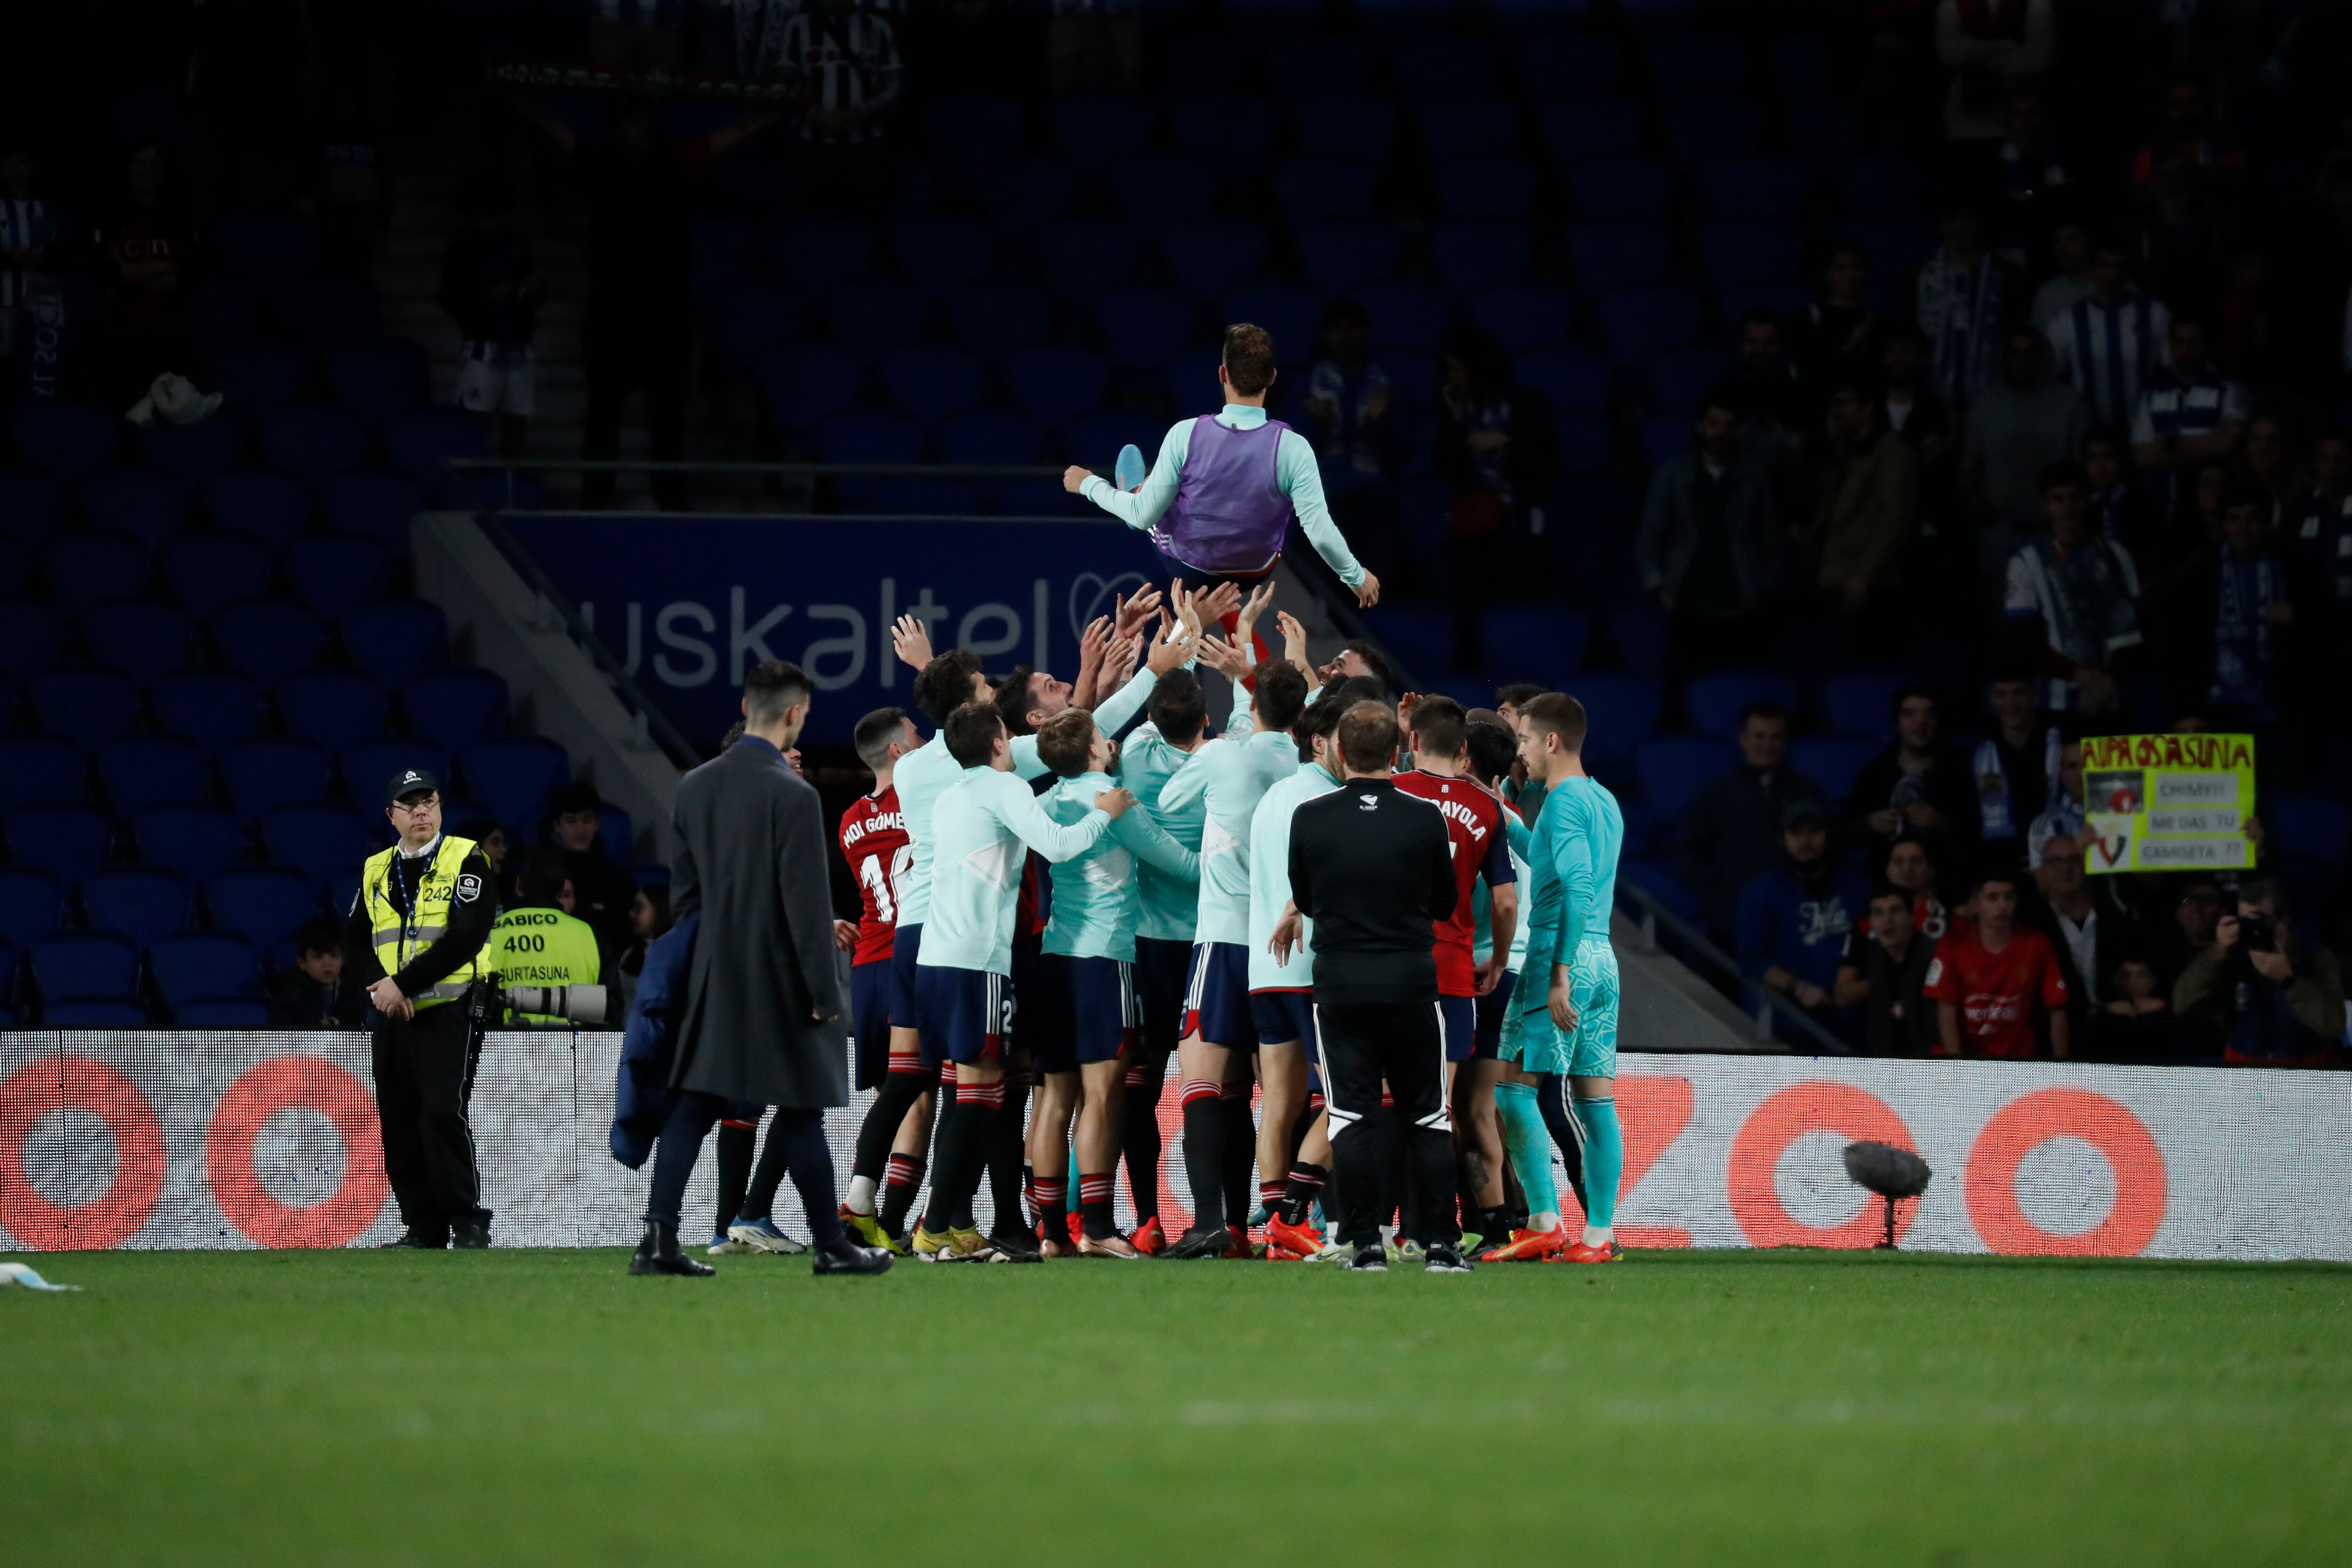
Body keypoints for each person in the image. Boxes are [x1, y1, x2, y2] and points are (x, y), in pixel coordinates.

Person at [645, 660, 892, 1278]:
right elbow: (805, 903)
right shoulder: (793, 793)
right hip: (779, 981)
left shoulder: (693, 786)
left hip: (709, 975)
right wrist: (822, 992)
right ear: (792, 714)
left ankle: (658, 1240)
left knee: (697, 1104)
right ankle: (832, 1246)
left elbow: (685, 898)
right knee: (803, 1103)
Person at [909, 703, 1131, 1262]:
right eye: (1009, 734)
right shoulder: (1003, 788)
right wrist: (1104, 812)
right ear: (997, 744)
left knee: (969, 1095)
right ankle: (936, 1224)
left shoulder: (951, 795)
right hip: (975, 960)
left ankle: (963, 1224)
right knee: (981, 1098)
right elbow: (1055, 846)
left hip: (933, 957)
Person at [1271, 700, 1470, 1274]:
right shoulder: (1424, 816)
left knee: (1350, 1117)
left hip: (1338, 991)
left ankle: (1363, 1245)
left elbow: (1304, 899)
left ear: (1337, 751)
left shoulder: (1309, 817)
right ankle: (1440, 1245)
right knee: (1428, 1116)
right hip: (1411, 984)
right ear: (1395, 752)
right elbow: (1443, 903)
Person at [520, 96, 777, 511]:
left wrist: (772, 112)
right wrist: (523, 104)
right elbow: (557, 132)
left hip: (666, 314)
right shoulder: (601, 162)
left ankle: (670, 499)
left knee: (668, 418)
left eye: (646, 122)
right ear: (617, 128)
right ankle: (596, 498)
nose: (641, 130)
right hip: (612, 314)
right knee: (603, 415)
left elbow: (727, 136)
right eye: (632, 122)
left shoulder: (674, 161)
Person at [1153, 650, 1311, 1258]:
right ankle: (1260, 1225)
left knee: (1201, 1080)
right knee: (1259, 1092)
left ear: (1250, 705)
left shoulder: (1223, 754)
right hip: (1283, 944)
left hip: (1222, 934)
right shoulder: (1305, 766)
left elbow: (1169, 800)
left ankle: (1210, 1221)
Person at [1028, 705, 1199, 1258]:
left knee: (1056, 1098)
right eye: (1102, 736)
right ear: (1091, 751)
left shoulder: (1048, 801)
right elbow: (1177, 863)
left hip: (1053, 956)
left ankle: (1052, 1231)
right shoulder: (1116, 801)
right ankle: (1098, 1228)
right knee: (1103, 1097)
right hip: (1105, 961)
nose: (1110, 742)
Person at [1065, 323, 1381, 610]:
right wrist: (1355, 576)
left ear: (1222, 374)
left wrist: (1088, 484)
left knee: (1147, 511)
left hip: (1189, 568)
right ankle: (1149, 489)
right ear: (1272, 377)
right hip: (1256, 570)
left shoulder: (1185, 434)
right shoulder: (1294, 448)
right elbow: (1321, 532)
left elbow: (1141, 513)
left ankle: (1137, 489)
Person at [1492, 692, 1628, 1266]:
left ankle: (1544, 1221)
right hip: (1603, 958)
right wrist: (1500, 813)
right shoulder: (1603, 800)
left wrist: (1558, 974)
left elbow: (1575, 887)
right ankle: (1597, 1236)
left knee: (1510, 1088)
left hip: (1561, 956)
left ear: (1550, 741)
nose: (1519, 750)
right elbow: (1546, 859)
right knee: (1595, 1101)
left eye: (1523, 739)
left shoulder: (1563, 802)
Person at [341, 768, 499, 1250]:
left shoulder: (467, 859)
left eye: (427, 801)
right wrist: (380, 988)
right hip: (393, 1011)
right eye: (408, 805)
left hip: (450, 1006)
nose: (420, 811)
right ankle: (423, 1225)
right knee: (399, 1115)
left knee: (439, 1112)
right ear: (391, 817)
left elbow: (466, 937)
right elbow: (355, 937)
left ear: (440, 807)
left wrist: (401, 985)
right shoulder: (376, 868)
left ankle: (468, 1220)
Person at [1394, 696, 1518, 1253]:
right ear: (1463, 749)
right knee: (1441, 1107)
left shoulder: (1389, 794)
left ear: (1414, 741)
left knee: (1384, 1100)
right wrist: (1497, 957)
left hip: (1390, 963)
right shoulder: (1487, 809)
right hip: (1451, 969)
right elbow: (1507, 903)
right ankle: (1441, 1233)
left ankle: (1391, 1227)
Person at [1250, 684, 1358, 1261]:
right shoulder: (1325, 803)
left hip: (1263, 969)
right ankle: (1293, 1212)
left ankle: (1278, 1228)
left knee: (1280, 1104)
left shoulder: (1273, 797)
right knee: (1349, 1098)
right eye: (1348, 739)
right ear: (1320, 742)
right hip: (1312, 968)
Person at [1116, 664, 1211, 1254]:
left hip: (1147, 945)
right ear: (1207, 720)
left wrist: (1183, 640)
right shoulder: (1226, 764)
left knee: (1138, 1086)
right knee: (1222, 1088)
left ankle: (1148, 1219)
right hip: (1210, 948)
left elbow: (1164, 705)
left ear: (1151, 717)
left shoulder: (1133, 754)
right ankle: (1217, 1221)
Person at [828, 707, 921, 1252]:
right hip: (913, 957)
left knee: (894, 1092)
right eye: (916, 735)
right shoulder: (921, 801)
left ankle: (872, 1212)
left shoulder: (846, 821)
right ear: (897, 750)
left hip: (866, 965)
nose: (926, 740)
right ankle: (888, 1218)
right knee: (923, 1095)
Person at [1636, 398, 1782, 679]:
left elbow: (1770, 538)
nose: (1720, 432)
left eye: (1729, 426)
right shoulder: (1671, 476)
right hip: (1687, 603)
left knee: (1741, 685)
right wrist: (1658, 586)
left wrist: (1765, 586)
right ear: (1701, 427)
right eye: (1714, 424)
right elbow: (1648, 538)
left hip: (1743, 604)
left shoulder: (1753, 478)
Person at [2002, 460, 2145, 715]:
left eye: (2075, 498)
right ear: (2045, 505)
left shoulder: (2116, 555)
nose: (2068, 508)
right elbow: (2025, 640)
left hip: (2112, 699)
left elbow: (2132, 630)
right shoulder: (2026, 562)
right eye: (2058, 500)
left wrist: (2107, 683)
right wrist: (2086, 678)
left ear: (2087, 500)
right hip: (2054, 702)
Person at [1678, 700, 1825, 944]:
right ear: (1743, 739)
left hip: (1797, 922)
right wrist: (1718, 898)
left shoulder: (1808, 791)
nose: (1768, 745)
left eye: (1776, 737)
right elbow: (1689, 852)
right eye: (1759, 737)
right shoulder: (1716, 792)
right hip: (1731, 923)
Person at [1736, 800, 1871, 1043]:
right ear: (1782, 840)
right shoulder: (1761, 892)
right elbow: (1752, 960)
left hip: (1851, 1019)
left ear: (1827, 835)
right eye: (1796, 833)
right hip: (1789, 1020)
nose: (1805, 842)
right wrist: (1798, 987)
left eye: (1813, 832)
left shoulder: (1858, 885)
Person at [2174, 879, 2345, 1068]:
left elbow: (2333, 1025)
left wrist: (2288, 981)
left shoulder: (2315, 958)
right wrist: (2216, 953)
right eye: (2245, 922)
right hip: (2244, 1069)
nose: (2252, 929)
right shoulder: (2232, 957)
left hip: (2304, 1071)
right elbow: (2182, 1004)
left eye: (2258, 921)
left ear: (2282, 923)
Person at [90, 142, 201, 414]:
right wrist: (165, 265)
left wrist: (132, 274)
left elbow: (185, 276)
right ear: (128, 169)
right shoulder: (111, 216)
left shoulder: (181, 218)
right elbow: (113, 276)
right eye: (141, 163)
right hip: (117, 336)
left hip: (166, 337)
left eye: (155, 164)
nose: (148, 171)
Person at [439, 174, 542, 459]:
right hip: (482, 346)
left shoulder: (518, 245)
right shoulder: (461, 250)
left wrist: (530, 289)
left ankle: (513, 495)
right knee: (476, 424)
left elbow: (538, 292)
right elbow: (448, 299)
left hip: (519, 345)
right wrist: (484, 297)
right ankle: (475, 494)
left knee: (516, 425)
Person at [1924, 867, 2070, 1058]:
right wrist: (1957, 1067)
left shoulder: (2036, 944)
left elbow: (2057, 1008)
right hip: (1968, 1059)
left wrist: (2063, 1066)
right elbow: (1946, 1013)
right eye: (1992, 898)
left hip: (2019, 1061)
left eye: (2009, 897)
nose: (2002, 905)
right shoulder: (1952, 945)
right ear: (1975, 905)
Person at [1810, 379, 1917, 637]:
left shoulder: (1891, 450)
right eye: (1835, 405)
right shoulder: (1848, 449)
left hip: (1864, 583)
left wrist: (1864, 576)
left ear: (1867, 407)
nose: (1838, 412)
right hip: (1836, 575)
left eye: (1845, 404)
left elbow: (1892, 518)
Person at [1962, 326, 2087, 541]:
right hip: (1998, 529)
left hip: (2057, 531)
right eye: (2015, 353)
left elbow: (2084, 465)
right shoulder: (1984, 406)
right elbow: (1969, 468)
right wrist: (1977, 512)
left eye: (2030, 353)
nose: (2022, 361)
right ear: (2004, 357)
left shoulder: (2070, 403)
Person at [1838, 683, 1979, 873]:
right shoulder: (1875, 774)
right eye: (1910, 714)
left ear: (1938, 721)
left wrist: (1941, 823)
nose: (1920, 722)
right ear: (1898, 722)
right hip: (1885, 885)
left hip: (1945, 879)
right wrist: (1870, 824)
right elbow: (1843, 833)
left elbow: (1976, 834)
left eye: (1929, 714)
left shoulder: (1957, 774)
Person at [2045, 239, 2171, 435]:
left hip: (2146, 431)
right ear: (2093, 269)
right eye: (2105, 266)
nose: (2112, 275)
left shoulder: (2156, 314)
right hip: (2089, 435)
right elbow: (2050, 379)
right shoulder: (2067, 321)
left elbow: (2170, 371)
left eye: (2119, 267)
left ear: (2128, 271)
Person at [2129, 316, 2248, 516]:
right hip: (2161, 508)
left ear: (2207, 345)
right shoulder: (2151, 394)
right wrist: (2205, 445)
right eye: (2179, 342)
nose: (2186, 350)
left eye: (2194, 342)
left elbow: (2225, 445)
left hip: (2214, 511)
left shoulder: (2230, 390)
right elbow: (2142, 456)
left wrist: (2168, 444)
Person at [2028, 830, 2140, 1029]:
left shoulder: (2112, 916)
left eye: (2075, 859)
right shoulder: (2031, 923)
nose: (2065, 868)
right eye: (2055, 861)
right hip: (2057, 1031)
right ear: (2042, 869)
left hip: (2116, 1030)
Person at [483, 846, 602, 1024]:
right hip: (573, 1047)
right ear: (562, 889)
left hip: (504, 1047)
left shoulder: (490, 932)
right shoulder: (589, 935)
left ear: (519, 885)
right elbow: (610, 1007)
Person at [1914, 199, 2010, 408]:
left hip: (1991, 390)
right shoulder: (1922, 276)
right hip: (1934, 390)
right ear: (1940, 227)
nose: (1959, 228)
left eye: (1966, 220)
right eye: (1952, 220)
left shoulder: (2002, 275)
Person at [1972, 666, 2064, 863]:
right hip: (2002, 856)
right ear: (1992, 699)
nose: (2010, 703)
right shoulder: (1980, 749)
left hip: (2058, 852)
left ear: (2034, 695)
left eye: (2019, 693)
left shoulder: (2060, 741)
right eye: (2001, 695)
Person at [1835, 883, 1939, 1056]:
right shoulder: (1874, 960)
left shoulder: (1934, 957)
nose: (1887, 920)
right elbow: (1841, 996)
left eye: (1896, 911)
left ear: (1912, 917)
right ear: (1872, 923)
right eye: (1878, 913)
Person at [547, 782, 640, 964]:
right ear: (557, 826)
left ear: (597, 824)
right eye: (571, 821)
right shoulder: (545, 877)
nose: (581, 830)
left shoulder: (619, 879)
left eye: (587, 821)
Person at [1791, 240, 1883, 393]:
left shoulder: (1874, 320)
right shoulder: (1810, 317)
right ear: (1827, 274)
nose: (1851, 276)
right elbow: (1809, 371)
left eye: (1857, 268)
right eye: (1842, 269)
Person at [267, 917, 368, 1029]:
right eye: (318, 957)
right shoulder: (289, 995)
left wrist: (340, 1023)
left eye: (334, 955)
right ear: (302, 963)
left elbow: (361, 1020)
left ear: (342, 959)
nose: (327, 963)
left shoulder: (355, 990)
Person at [613, 883, 670, 1018]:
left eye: (639, 908)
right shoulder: (630, 956)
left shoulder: (674, 955)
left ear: (659, 910)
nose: (632, 913)